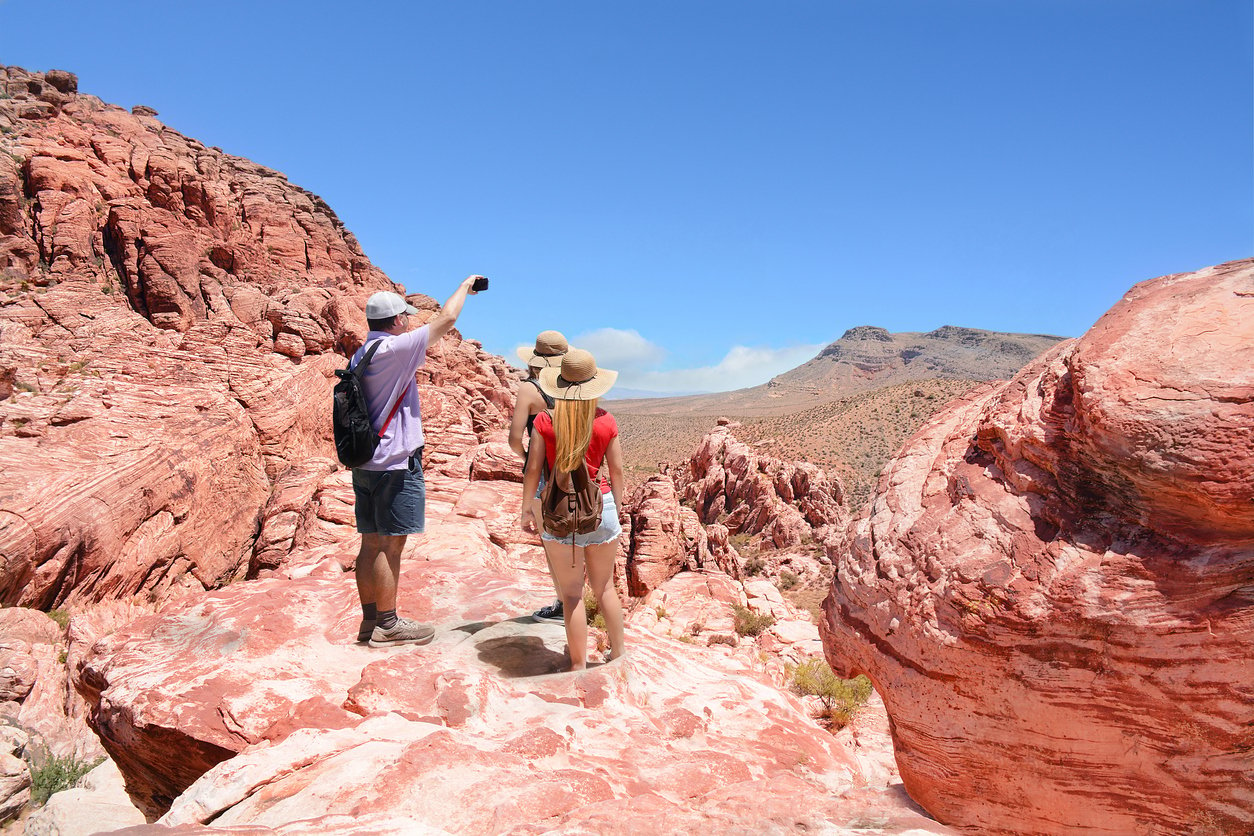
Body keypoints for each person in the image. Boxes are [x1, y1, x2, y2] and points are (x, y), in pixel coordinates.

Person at [352, 276, 482, 647]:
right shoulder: (395, 349)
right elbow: (448, 319)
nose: (408, 322)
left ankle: (369, 621)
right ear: (395, 321)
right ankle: (389, 625)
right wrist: (465, 286)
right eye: (404, 318)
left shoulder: (362, 353)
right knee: (390, 546)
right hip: (395, 463)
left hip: (365, 463)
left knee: (369, 543)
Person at [520, 349, 626, 670]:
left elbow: (533, 470)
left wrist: (527, 508)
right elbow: (617, 471)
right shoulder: (605, 421)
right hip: (601, 507)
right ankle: (618, 655)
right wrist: (617, 508)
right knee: (605, 587)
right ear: (593, 384)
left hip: (559, 512)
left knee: (572, 595)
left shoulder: (544, 421)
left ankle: (578, 666)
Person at [510, 331, 568, 625]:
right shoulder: (575, 386)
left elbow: (513, 438)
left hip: (546, 474)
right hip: (580, 472)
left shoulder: (530, 390)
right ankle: (580, 602)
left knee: (551, 541)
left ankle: (564, 605)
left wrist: (527, 458)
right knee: (575, 540)